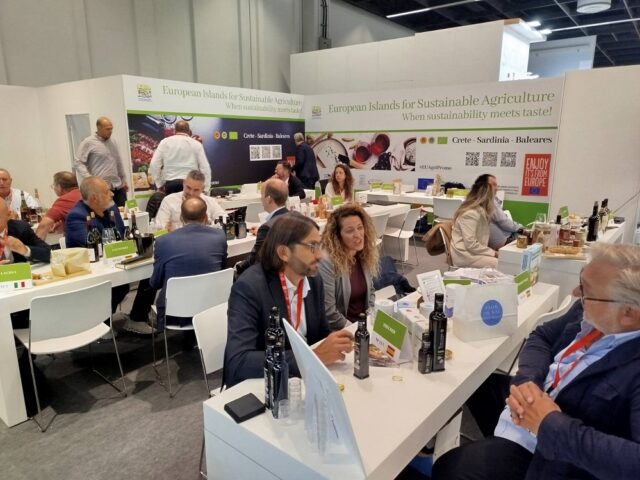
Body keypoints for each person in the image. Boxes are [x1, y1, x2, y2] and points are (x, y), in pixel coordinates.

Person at [432, 242, 640, 480]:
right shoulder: (592, 314)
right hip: (538, 397)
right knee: (474, 383)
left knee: (452, 468)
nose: (576, 293)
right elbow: (542, 335)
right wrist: (528, 380)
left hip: (553, 453)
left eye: (586, 291)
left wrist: (549, 423)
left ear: (628, 313)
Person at [224, 212, 354, 388]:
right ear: (284, 253)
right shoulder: (249, 288)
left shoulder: (313, 280)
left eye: (320, 245)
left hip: (303, 381)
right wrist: (312, 357)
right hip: (264, 385)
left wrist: (342, 343)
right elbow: (239, 361)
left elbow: (320, 334)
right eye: (312, 246)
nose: (320, 255)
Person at [65, 177, 154, 334]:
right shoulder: (76, 216)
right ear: (94, 198)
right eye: (107, 192)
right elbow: (93, 245)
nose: (112, 194)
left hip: (115, 263)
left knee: (152, 272)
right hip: (91, 271)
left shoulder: (111, 209)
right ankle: (101, 324)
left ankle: (137, 318)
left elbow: (121, 236)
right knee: (119, 287)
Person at [150, 196, 227, 331]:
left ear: (181, 218)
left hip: (174, 313)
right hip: (211, 307)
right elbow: (222, 269)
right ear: (206, 218)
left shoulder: (163, 241)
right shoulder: (219, 237)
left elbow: (155, 283)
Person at [318, 204, 378, 331]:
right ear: (337, 236)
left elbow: (371, 291)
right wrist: (355, 330)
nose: (358, 235)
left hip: (364, 325)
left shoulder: (363, 253)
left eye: (360, 228)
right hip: (343, 329)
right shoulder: (327, 262)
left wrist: (369, 319)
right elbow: (330, 312)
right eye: (350, 231)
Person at [234, 178, 288, 277]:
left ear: (269, 199)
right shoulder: (296, 217)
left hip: (269, 276)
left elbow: (254, 260)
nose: (260, 199)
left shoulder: (267, 228)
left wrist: (237, 267)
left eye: (262, 195)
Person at [74, 117, 129, 207]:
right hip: (100, 190)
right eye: (107, 129)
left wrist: (123, 180)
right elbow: (78, 162)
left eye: (111, 129)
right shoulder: (88, 142)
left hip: (117, 187)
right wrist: (90, 179)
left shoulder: (114, 142)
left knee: (122, 214)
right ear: (98, 128)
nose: (110, 131)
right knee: (104, 214)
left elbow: (118, 162)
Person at [148, 120, 211, 194]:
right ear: (189, 131)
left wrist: (159, 184)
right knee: (190, 202)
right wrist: (206, 188)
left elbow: (154, 164)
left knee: (172, 202)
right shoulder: (196, 144)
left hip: (171, 185)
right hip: (191, 185)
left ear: (175, 130)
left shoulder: (165, 142)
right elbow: (205, 167)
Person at [450, 175, 499, 268]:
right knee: (503, 265)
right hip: (466, 256)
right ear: (485, 189)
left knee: (505, 263)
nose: (497, 188)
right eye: (494, 185)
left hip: (472, 253)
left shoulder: (479, 210)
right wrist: (494, 253)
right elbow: (471, 244)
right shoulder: (471, 213)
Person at [154, 170, 226, 231]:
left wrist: (209, 225)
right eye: (188, 188)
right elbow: (159, 227)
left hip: (203, 239)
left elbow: (224, 220)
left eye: (196, 190)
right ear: (184, 183)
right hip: (177, 240)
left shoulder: (210, 201)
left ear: (202, 189)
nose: (191, 193)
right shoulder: (169, 200)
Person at [35, 171, 81, 240]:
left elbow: (43, 225)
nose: (53, 188)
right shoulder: (84, 193)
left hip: (76, 242)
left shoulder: (63, 201)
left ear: (59, 187)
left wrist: (36, 244)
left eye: (54, 185)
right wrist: (61, 222)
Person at [482, 174, 524, 249]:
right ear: (485, 186)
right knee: (532, 237)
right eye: (493, 185)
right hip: (505, 241)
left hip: (497, 241)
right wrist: (521, 228)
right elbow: (504, 222)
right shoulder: (490, 201)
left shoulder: (484, 200)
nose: (497, 188)